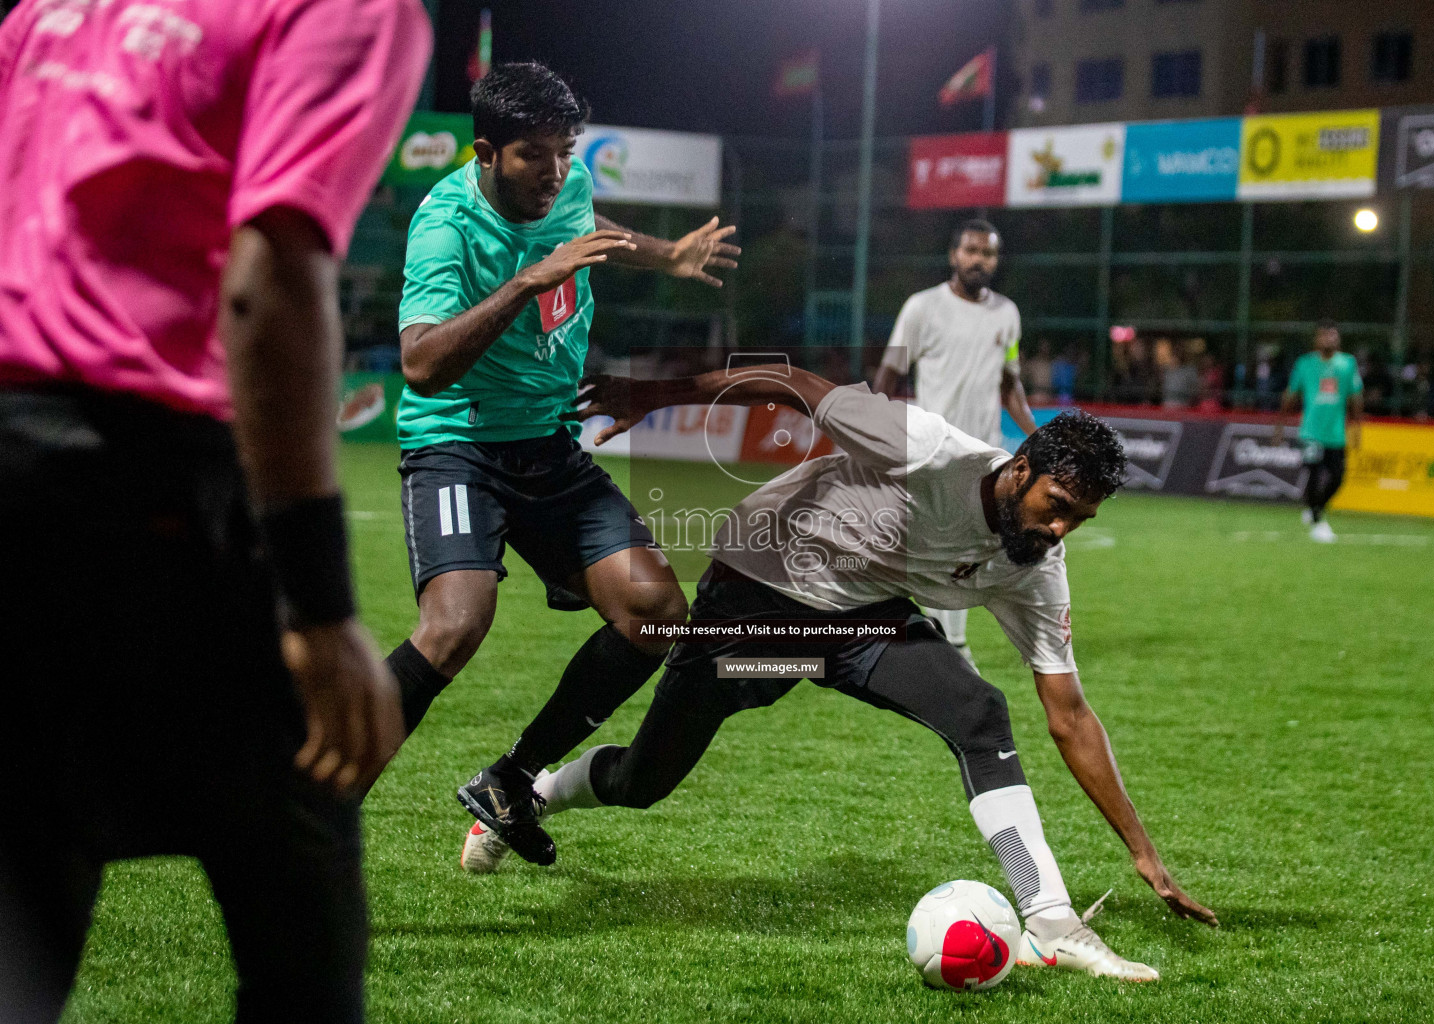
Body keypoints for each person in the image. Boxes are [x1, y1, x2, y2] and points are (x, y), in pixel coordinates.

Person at [0, 1, 430, 1020]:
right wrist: (320, 608)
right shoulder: (349, 11)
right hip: (154, 496)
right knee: (303, 930)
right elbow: (269, 278)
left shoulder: (48, 11)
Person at [548, 366, 1219, 981]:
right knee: (644, 780)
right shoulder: (928, 447)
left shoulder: (1035, 567)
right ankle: (541, 792)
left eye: (1081, 518)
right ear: (1020, 470)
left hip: (859, 620)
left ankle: (1049, 923)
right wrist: (657, 393)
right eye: (1059, 504)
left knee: (980, 714)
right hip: (757, 594)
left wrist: (1143, 852)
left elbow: (1069, 715)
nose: (1062, 529)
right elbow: (792, 384)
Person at [381, 62, 740, 873]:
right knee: (454, 626)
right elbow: (422, 365)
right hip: (457, 445)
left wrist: (669, 255)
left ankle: (510, 780)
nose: (553, 171)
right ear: (485, 153)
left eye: (562, 150)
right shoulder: (447, 227)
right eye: (531, 155)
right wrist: (524, 282)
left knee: (654, 611)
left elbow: (594, 232)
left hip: (548, 447)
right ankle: (318, 812)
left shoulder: (566, 184)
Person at [874, 219, 1035, 666]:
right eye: (971, 250)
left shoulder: (1007, 314)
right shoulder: (922, 308)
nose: (979, 259)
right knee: (922, 546)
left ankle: (950, 646)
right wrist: (873, 432)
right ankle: (904, 636)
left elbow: (1011, 384)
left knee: (966, 545)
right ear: (953, 255)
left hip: (984, 456)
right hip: (931, 451)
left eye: (988, 253)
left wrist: (1037, 437)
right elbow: (889, 376)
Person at [1276, 321, 1362, 543]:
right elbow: (1290, 394)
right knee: (1313, 475)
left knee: (1338, 477)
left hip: (1336, 433)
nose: (1329, 340)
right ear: (1317, 340)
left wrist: (1356, 428)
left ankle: (1316, 508)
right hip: (1311, 432)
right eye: (1324, 336)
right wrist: (1280, 425)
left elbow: (1355, 396)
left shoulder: (1347, 364)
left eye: (1332, 336)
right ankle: (1317, 522)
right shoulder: (1305, 364)